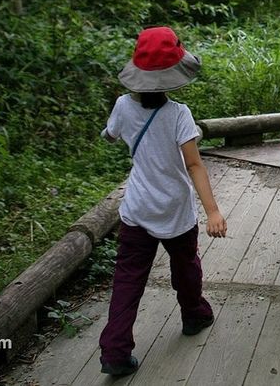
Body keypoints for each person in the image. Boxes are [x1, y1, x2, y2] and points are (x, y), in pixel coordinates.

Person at [98, 26, 227, 377]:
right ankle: (194, 314)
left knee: (127, 279)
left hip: (137, 211)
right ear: (173, 76)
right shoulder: (178, 114)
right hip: (175, 213)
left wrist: (113, 132)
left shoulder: (123, 105)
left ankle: (115, 350)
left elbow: (110, 135)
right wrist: (213, 210)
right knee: (185, 267)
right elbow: (195, 164)